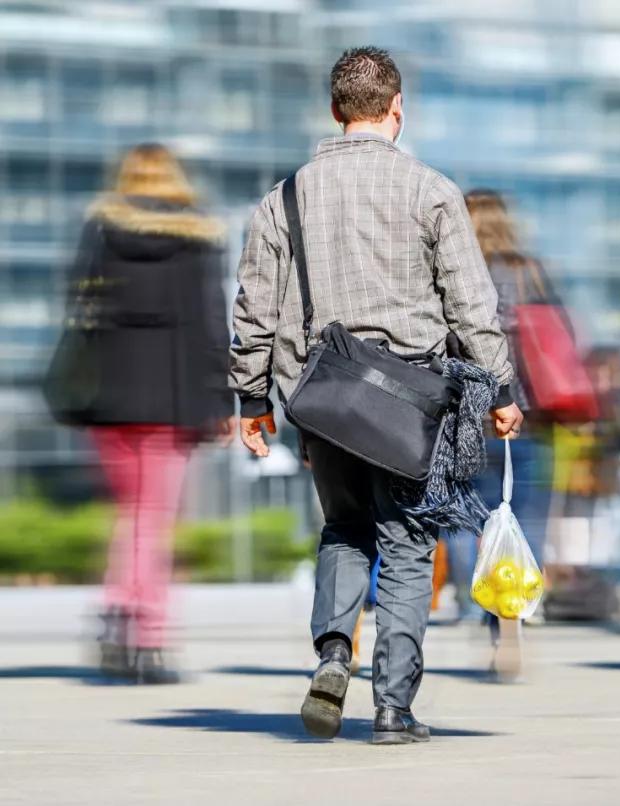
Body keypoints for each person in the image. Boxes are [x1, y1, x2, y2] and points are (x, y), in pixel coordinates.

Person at [229, 47, 521, 745]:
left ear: (335, 111)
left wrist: (251, 400)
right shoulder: (432, 190)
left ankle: (334, 655)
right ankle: (392, 708)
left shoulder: (285, 197)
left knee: (344, 529)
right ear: (397, 109)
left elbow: (254, 307)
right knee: (408, 543)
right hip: (411, 401)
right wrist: (502, 387)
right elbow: (471, 305)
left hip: (323, 397)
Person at [72, 143, 233, 683]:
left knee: (132, 515)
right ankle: (148, 637)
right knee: (153, 519)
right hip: (172, 397)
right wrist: (225, 398)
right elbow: (213, 322)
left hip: (110, 394)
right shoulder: (197, 236)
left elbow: (78, 304)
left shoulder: (102, 228)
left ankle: (120, 614)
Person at [446, 188, 555, 681]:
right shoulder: (529, 271)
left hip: (466, 414)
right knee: (524, 519)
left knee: (470, 520)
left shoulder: (450, 272)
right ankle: (512, 614)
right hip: (526, 414)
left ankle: (479, 607)